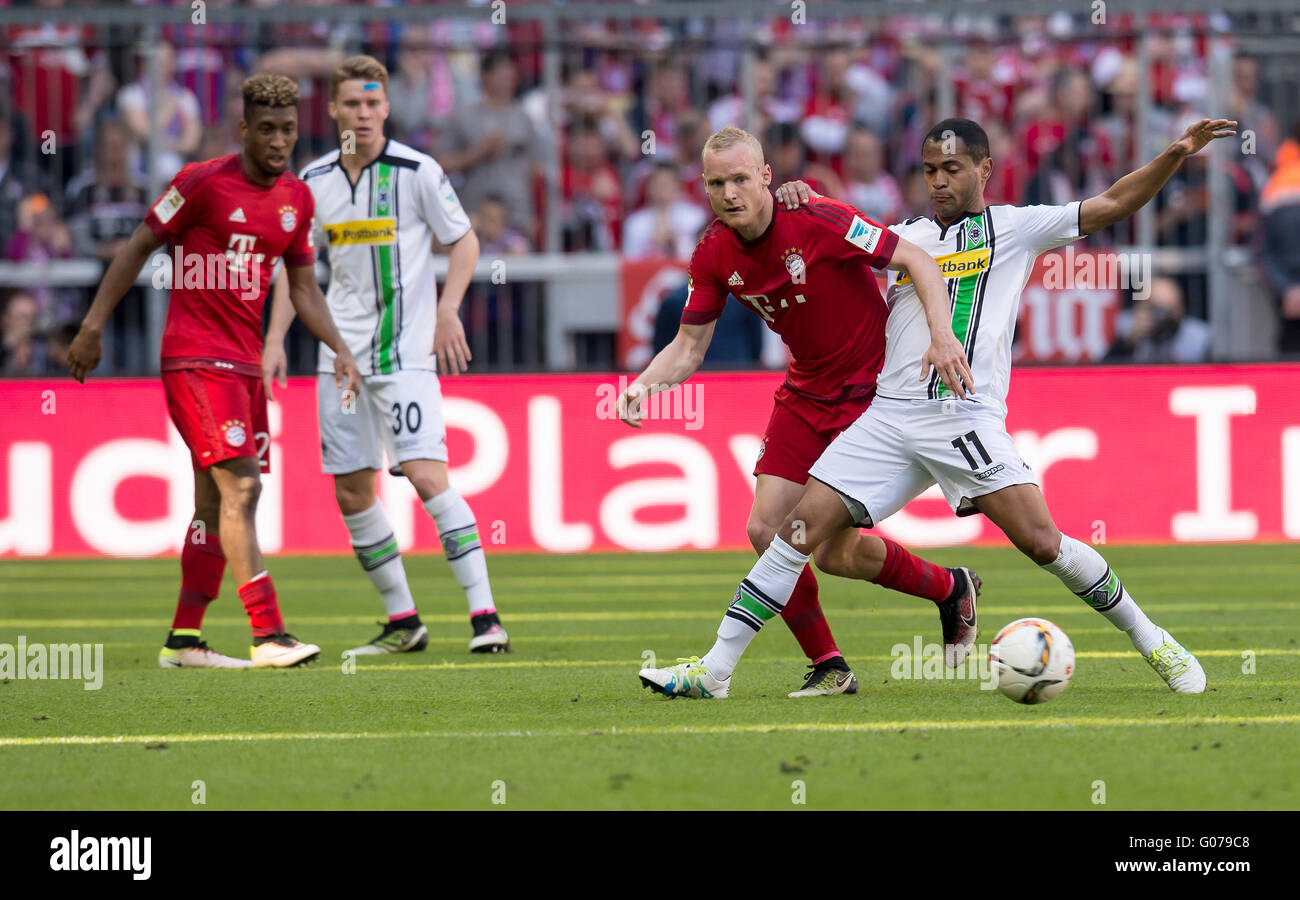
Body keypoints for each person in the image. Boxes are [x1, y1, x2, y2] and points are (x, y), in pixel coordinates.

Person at [644, 116, 1235, 699]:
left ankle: (1151, 636)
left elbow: (1109, 204)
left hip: (963, 418)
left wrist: (1174, 154)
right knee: (791, 534)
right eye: (929, 171)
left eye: (952, 169)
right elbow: (819, 233)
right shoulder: (905, 237)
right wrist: (797, 195)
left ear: (984, 169)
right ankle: (716, 671)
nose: (940, 182)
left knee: (1041, 542)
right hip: (886, 416)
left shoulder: (1018, 228)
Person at [627, 125, 980, 699]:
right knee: (767, 530)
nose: (730, 193)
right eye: (717, 183)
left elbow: (914, 257)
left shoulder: (817, 217)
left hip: (870, 395)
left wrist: (941, 336)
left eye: (741, 178)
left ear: (766, 176)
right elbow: (689, 346)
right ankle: (833, 663)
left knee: (832, 551)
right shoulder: (713, 251)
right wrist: (642, 385)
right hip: (804, 392)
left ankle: (947, 588)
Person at [66, 74, 362, 669]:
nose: (280, 142)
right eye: (268, 129)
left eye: (289, 130)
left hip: (245, 367)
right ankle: (269, 632)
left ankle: (183, 641)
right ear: (245, 128)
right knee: (243, 489)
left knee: (213, 504)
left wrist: (340, 348)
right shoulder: (199, 183)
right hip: (196, 359)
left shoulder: (296, 200)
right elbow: (138, 246)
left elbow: (303, 288)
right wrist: (93, 326)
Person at [264, 56, 509, 656]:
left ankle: (485, 617)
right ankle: (404, 621)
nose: (364, 114)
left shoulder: (417, 171)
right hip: (340, 362)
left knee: (427, 477)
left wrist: (449, 309)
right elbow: (295, 272)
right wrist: (274, 340)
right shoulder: (312, 181)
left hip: (403, 355)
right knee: (352, 490)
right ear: (334, 110)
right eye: (353, 104)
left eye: (374, 103)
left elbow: (465, 239)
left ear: (387, 108)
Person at [1106, 276, 1210, 364]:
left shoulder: (1198, 336)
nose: (1162, 316)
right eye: (1155, 308)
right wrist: (1127, 343)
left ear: (1181, 308)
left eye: (1169, 308)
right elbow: (1102, 371)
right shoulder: (1125, 325)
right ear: (1139, 306)